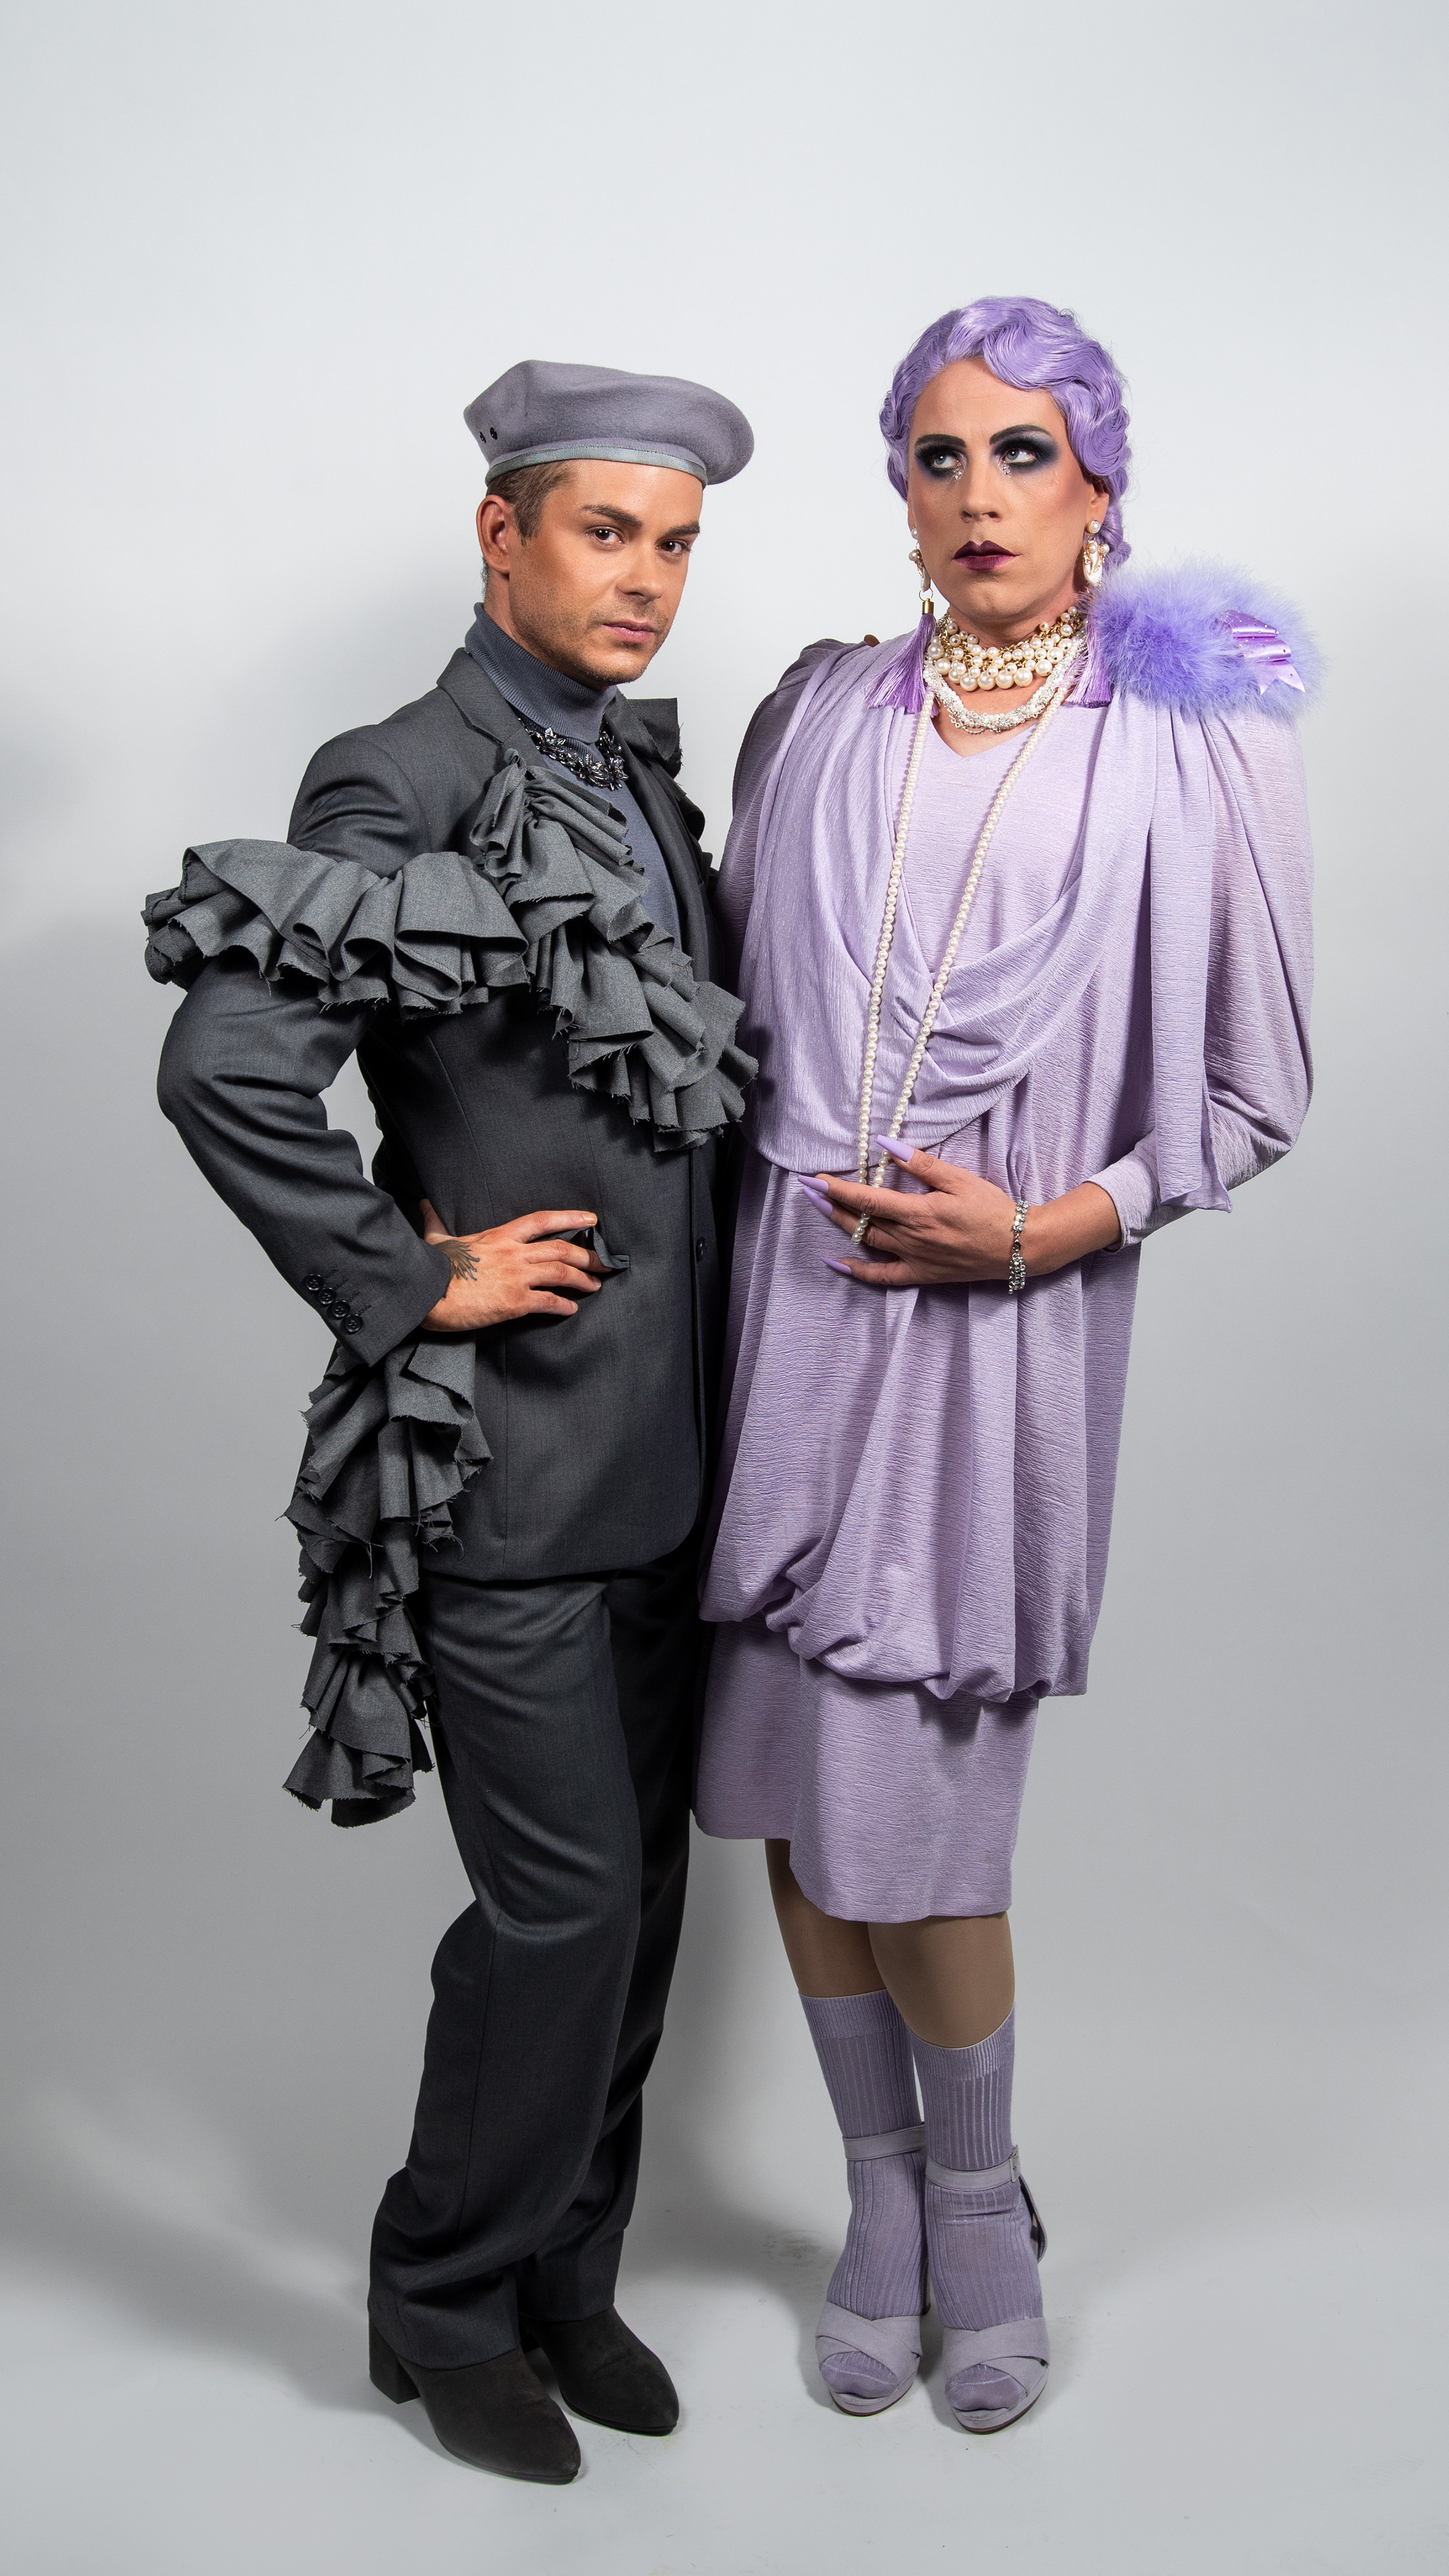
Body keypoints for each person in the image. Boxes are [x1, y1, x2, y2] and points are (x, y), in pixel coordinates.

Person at [693, 296, 1314, 2434]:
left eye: (1022, 453)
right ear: (898, 490)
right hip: (785, 1313)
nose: (978, 497)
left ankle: (978, 2202)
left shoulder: (1193, 740)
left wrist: (1044, 1225)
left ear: (1099, 484)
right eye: (938, 456)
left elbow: (1251, 1090)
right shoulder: (814, 716)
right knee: (789, 1781)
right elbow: (724, 1029)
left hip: (1000, 1336)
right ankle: (876, 2190)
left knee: (922, 1801)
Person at [144, 361, 755, 2485]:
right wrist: (413, 1278)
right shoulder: (397, 773)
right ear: (500, 536)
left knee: (641, 1913)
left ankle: (570, 2273)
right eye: (607, 532)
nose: (647, 579)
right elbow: (226, 1063)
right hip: (510, 1461)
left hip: (672, 1463)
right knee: (558, 1913)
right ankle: (439, 2298)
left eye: (676, 544)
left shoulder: (639, 775)